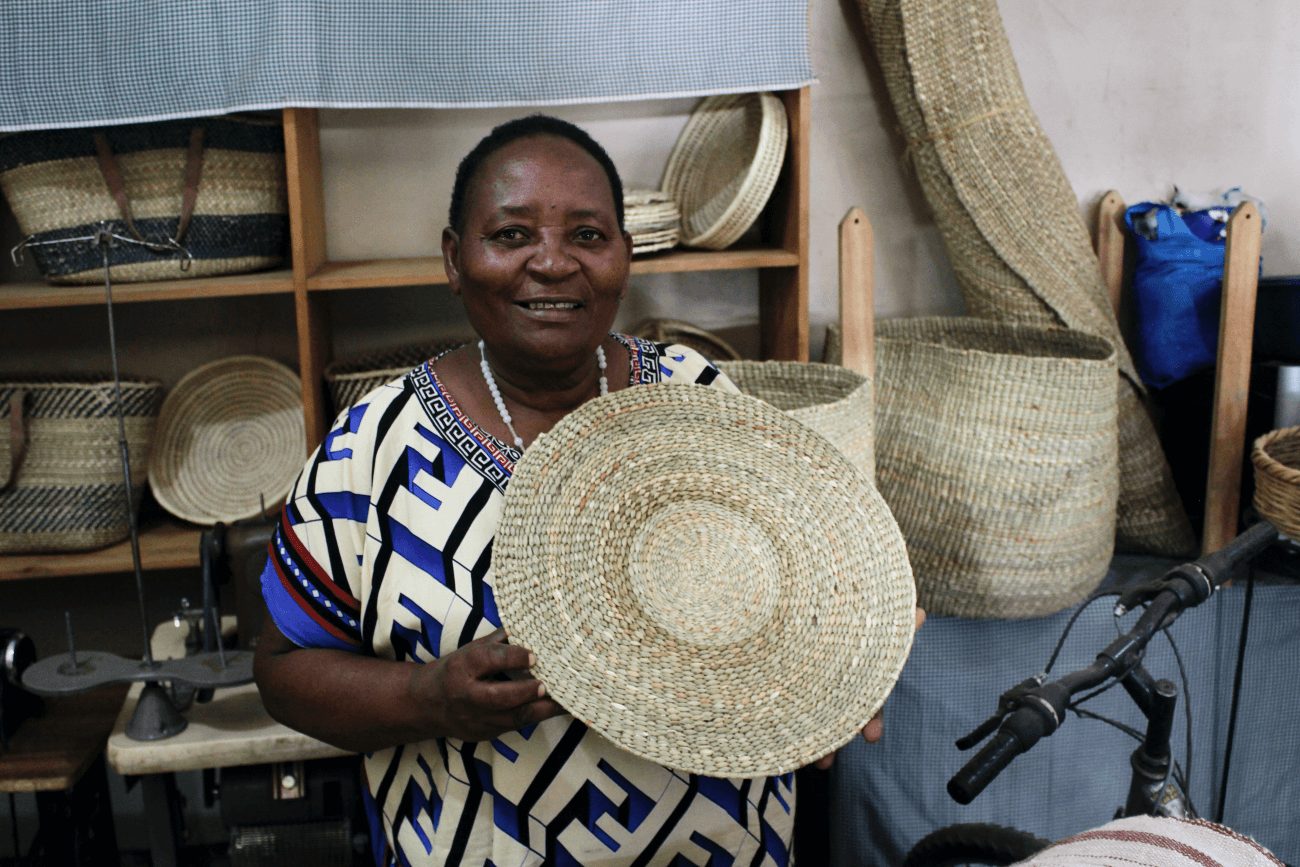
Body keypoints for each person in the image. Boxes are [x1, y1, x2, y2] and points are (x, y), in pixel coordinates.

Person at [254, 114, 908, 866]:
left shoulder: (700, 400)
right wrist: (428, 698)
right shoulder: (371, 448)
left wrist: (838, 671)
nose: (553, 263)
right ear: (454, 258)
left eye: (589, 236)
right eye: (511, 235)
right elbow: (282, 671)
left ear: (626, 257)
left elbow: (811, 592)